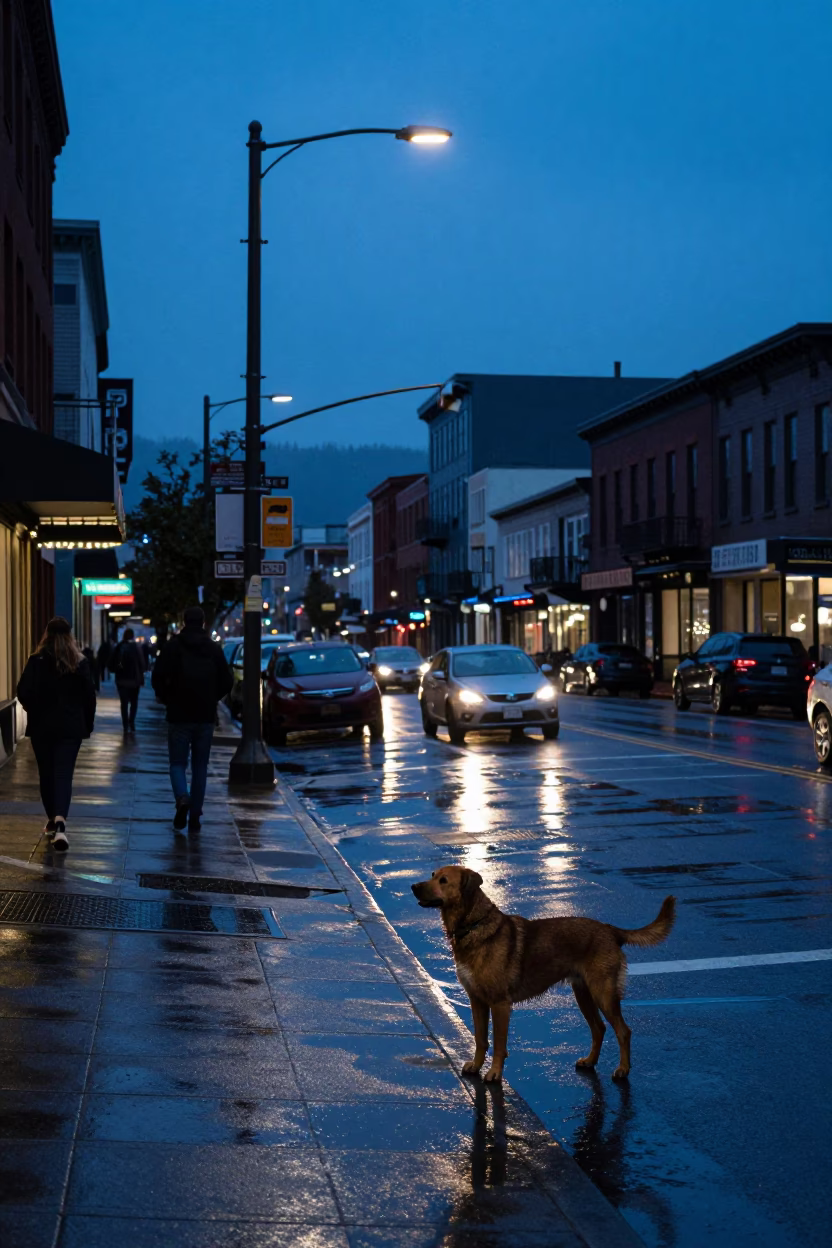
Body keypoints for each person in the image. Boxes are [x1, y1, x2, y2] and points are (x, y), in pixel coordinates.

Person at [16, 617, 96, 851]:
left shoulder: (36, 660)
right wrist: (86, 724)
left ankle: (53, 819)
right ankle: (60, 821)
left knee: (46, 774)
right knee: (63, 774)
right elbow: (89, 697)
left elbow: (23, 691)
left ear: (46, 635)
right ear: (70, 636)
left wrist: (35, 710)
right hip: (70, 727)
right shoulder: (79, 662)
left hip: (43, 726)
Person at [152, 606, 233, 832]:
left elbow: (157, 677)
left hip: (178, 715)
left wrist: (168, 699)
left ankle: (182, 797)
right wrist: (211, 697)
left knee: (177, 763)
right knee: (200, 767)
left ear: (184, 621)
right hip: (205, 716)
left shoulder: (172, 647)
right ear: (204, 622)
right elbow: (227, 681)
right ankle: (195, 815)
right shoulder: (213, 649)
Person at [112, 628, 145, 735]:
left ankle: (125, 724)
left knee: (124, 703)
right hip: (134, 680)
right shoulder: (137, 647)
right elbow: (142, 664)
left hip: (121, 680)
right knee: (134, 702)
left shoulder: (119, 646)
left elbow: (114, 662)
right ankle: (132, 722)